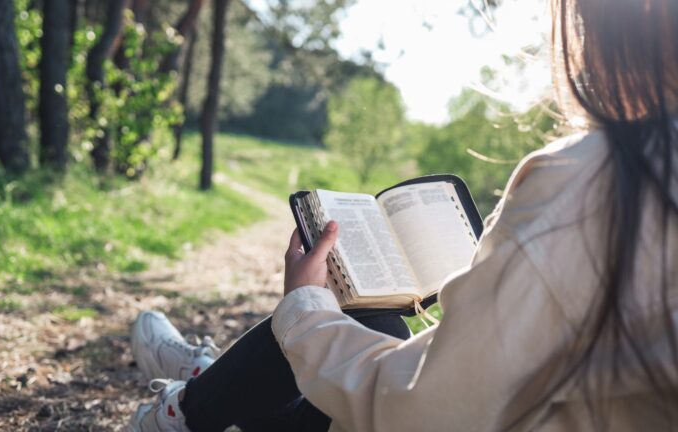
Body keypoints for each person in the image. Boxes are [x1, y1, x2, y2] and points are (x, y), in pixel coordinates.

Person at [127, 0, 678, 430]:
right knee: (377, 321)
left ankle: (188, 407)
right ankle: (209, 385)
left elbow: (425, 413)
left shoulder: (594, 179)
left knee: (337, 319)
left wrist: (303, 307)